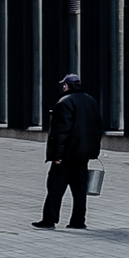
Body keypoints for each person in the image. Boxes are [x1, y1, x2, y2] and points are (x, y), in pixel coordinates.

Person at [36, 73, 101, 230]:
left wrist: (57, 155)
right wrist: (92, 151)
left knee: (55, 188)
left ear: (66, 86)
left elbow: (61, 132)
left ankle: (49, 220)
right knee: (79, 190)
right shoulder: (91, 101)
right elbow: (97, 128)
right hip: (83, 155)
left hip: (66, 155)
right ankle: (78, 221)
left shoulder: (64, 102)